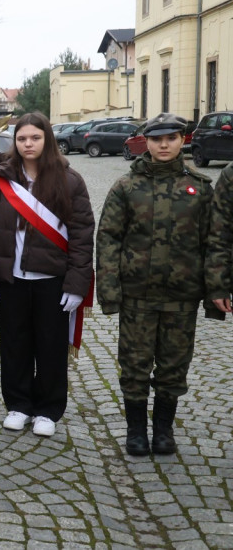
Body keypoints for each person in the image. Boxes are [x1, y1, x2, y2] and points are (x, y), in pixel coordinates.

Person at [100, 113, 218, 455]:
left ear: (183, 139)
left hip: (182, 297)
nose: (163, 145)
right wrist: (110, 291)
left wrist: (215, 294)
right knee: (135, 365)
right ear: (146, 142)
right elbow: (108, 239)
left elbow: (215, 243)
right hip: (137, 296)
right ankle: (136, 430)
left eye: (171, 138)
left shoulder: (200, 189)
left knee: (174, 366)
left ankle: (164, 430)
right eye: (156, 139)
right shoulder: (126, 187)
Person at [0, 112, 93, 438]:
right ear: (14, 142)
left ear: (46, 139)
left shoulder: (69, 180)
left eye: (35, 137)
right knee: (14, 344)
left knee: (50, 346)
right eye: (22, 138)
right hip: (11, 278)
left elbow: (81, 234)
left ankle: (48, 409)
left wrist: (77, 283)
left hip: (52, 280)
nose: (28, 144)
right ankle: (18, 405)